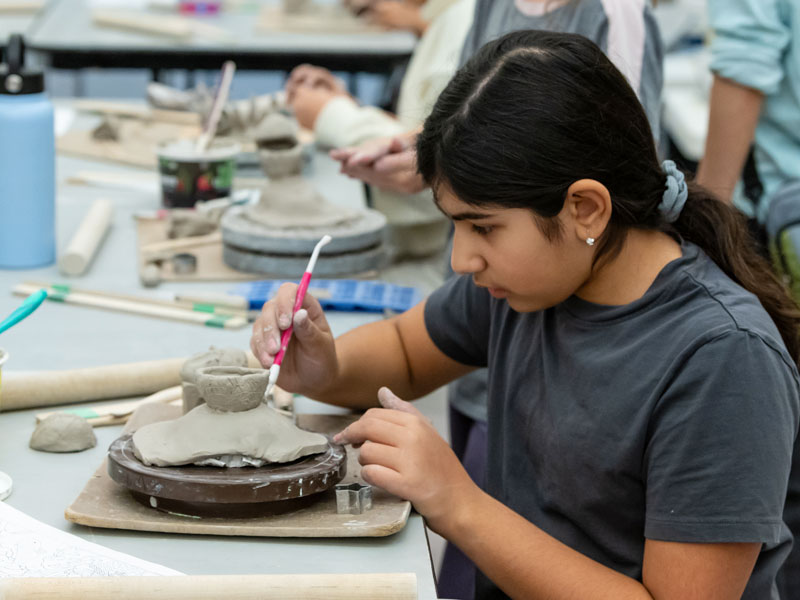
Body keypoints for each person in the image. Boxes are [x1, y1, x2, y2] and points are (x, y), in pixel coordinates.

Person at [251, 30, 800, 599]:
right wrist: (319, 363)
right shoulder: (530, 282)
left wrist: (458, 502)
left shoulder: (724, 360)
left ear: (585, 209)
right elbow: (409, 354)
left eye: (482, 227)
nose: (463, 259)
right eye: (455, 226)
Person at [286, 0, 472, 258]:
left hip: (429, 256)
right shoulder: (450, 16)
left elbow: (434, 167)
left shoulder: (464, 20)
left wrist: (333, 114)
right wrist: (353, 106)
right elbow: (418, 129)